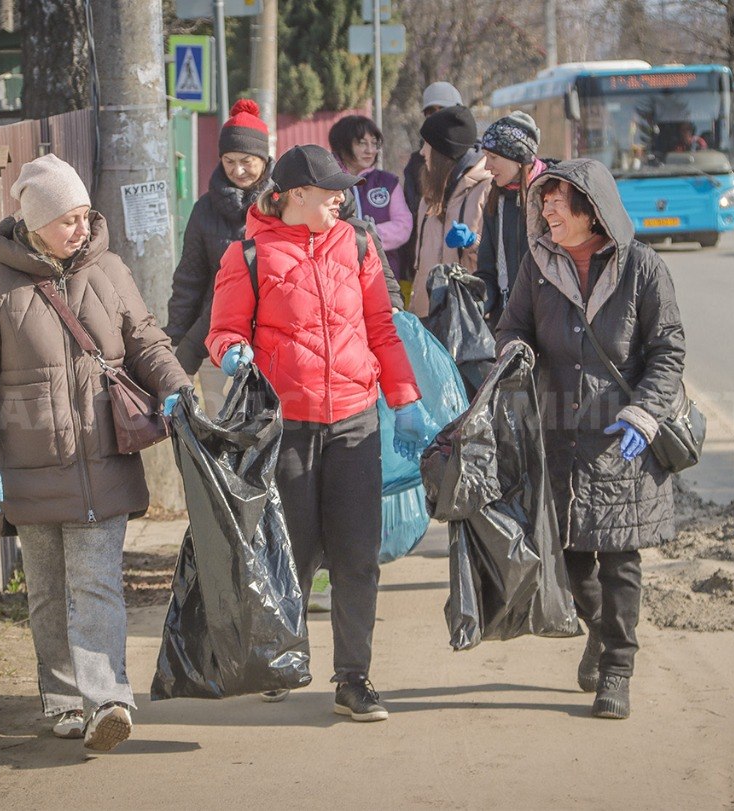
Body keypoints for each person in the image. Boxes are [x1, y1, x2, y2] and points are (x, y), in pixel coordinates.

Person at [0, 154, 191, 750]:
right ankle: (62, 699)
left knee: (96, 584)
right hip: (28, 469)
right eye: (67, 220)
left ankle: (107, 699)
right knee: (48, 593)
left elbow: (146, 340)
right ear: (35, 223)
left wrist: (177, 387)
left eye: (85, 216)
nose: (81, 229)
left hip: (103, 461)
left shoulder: (108, 270)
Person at [205, 144, 436, 722]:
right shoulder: (249, 255)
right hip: (290, 426)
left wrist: (404, 400)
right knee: (294, 554)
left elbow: (382, 326)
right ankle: (280, 655)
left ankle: (353, 679)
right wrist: (232, 352)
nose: (342, 197)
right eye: (331, 189)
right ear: (296, 195)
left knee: (359, 554)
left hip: (355, 420)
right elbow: (223, 330)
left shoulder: (356, 244)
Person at [495, 158, 686, 721]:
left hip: (621, 436)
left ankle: (618, 671)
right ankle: (600, 634)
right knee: (571, 558)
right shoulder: (538, 265)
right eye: (543, 202)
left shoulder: (643, 268)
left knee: (620, 559)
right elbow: (512, 328)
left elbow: (668, 349)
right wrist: (514, 356)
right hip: (557, 436)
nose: (545, 210)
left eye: (555, 200)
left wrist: (643, 413)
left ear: (591, 208)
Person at [165, 99, 272, 416]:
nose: (238, 170)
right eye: (229, 161)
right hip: (216, 342)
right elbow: (189, 280)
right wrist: (176, 340)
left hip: (273, 343)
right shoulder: (205, 209)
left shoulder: (284, 203)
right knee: (222, 428)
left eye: (246, 161)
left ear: (263, 158)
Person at [407, 104, 494, 317]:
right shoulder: (429, 193)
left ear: (443, 153)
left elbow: (499, 259)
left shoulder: (487, 189)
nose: (421, 152)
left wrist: (472, 242)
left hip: (466, 317)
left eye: (427, 145)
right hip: (426, 317)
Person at [476, 111, 551, 327]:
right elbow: (487, 272)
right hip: (508, 322)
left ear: (517, 158)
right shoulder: (496, 198)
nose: (487, 166)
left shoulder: (553, 195)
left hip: (549, 322)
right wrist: (475, 303)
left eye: (493, 157)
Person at [400, 81, 464, 299]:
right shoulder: (416, 163)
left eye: (443, 110)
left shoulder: (480, 164)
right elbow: (412, 217)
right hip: (427, 276)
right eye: (431, 112)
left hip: (463, 281)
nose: (437, 117)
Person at [328, 114, 412, 280]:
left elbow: (403, 225)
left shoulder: (388, 183)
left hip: (382, 275)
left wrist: (369, 234)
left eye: (374, 143)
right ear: (343, 145)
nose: (370, 150)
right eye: (362, 143)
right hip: (338, 274)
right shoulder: (328, 182)